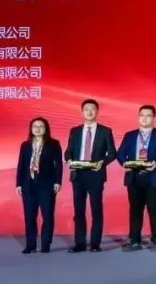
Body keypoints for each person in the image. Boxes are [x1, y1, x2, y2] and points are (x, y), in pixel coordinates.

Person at [115, 104, 156, 251]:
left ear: (154, 117)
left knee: (154, 209)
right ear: (138, 117)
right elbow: (120, 153)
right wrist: (124, 163)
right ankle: (134, 241)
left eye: (148, 115)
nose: (145, 118)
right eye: (142, 115)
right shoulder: (130, 135)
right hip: (134, 177)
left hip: (154, 177)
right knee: (135, 210)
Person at [64, 99, 116, 252]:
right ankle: (79, 243)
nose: (89, 112)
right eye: (86, 109)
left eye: (92, 109)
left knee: (96, 210)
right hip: (78, 175)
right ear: (82, 112)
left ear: (97, 111)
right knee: (78, 211)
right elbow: (68, 151)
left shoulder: (105, 131)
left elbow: (112, 153)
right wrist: (68, 160)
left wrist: (103, 162)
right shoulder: (75, 131)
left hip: (95, 174)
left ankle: (95, 244)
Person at [15, 117, 62, 254]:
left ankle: (46, 245)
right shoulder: (25, 145)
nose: (37, 129)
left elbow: (59, 165)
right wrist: (19, 183)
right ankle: (30, 245)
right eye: (35, 126)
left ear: (46, 129)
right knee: (29, 217)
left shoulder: (54, 144)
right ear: (31, 129)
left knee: (47, 216)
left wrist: (58, 181)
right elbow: (21, 165)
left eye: (41, 126)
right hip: (28, 185)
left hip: (47, 185)